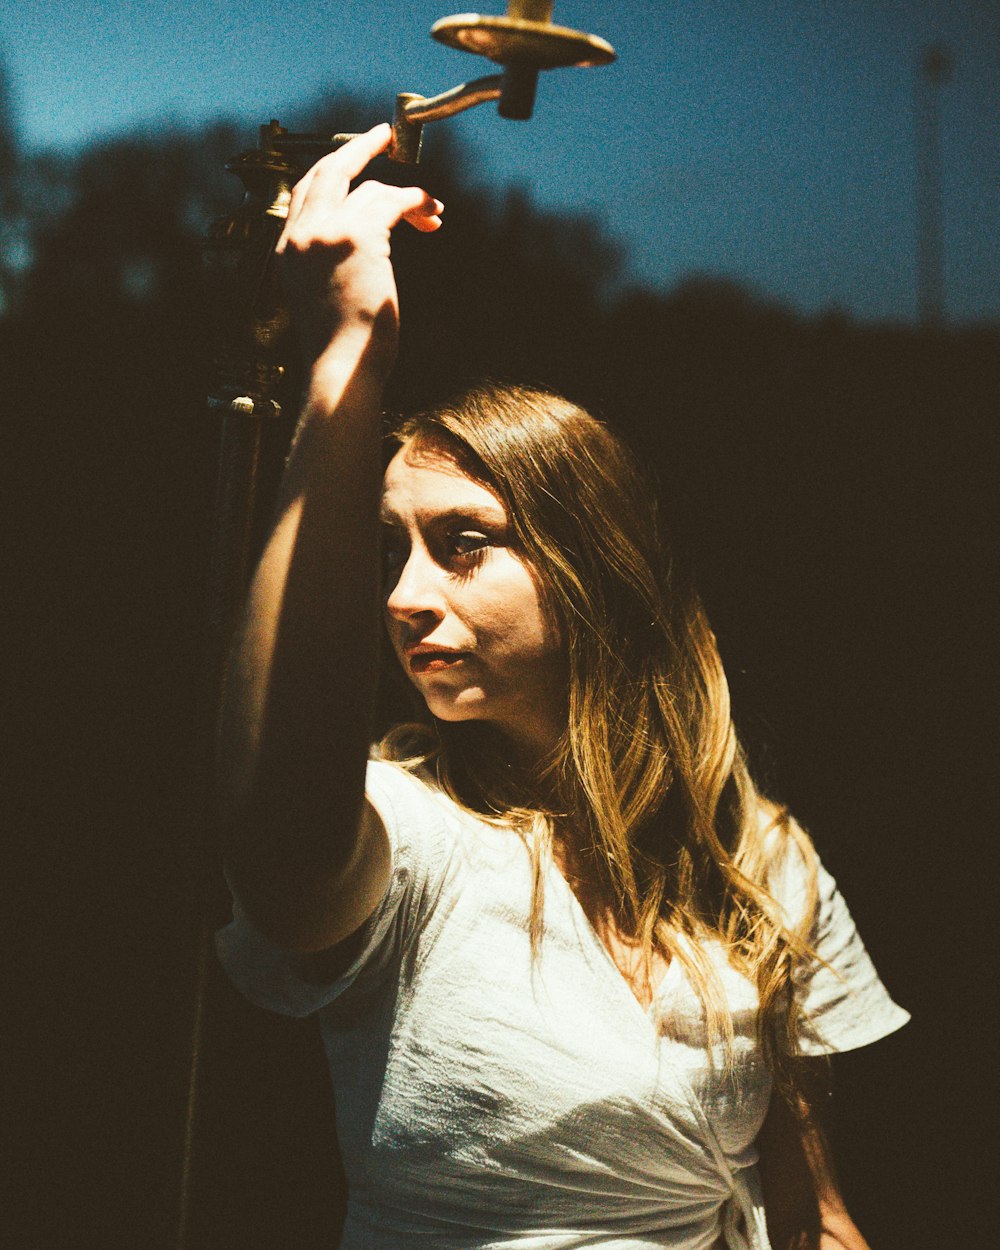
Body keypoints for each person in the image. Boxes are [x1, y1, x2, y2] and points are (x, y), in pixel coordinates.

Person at [215, 124, 908, 1250]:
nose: (403, 595)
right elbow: (282, 841)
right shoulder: (411, 833)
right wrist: (344, 358)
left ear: (593, 570)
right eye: (390, 550)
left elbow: (815, 1219)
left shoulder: (757, 855)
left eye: (463, 543)